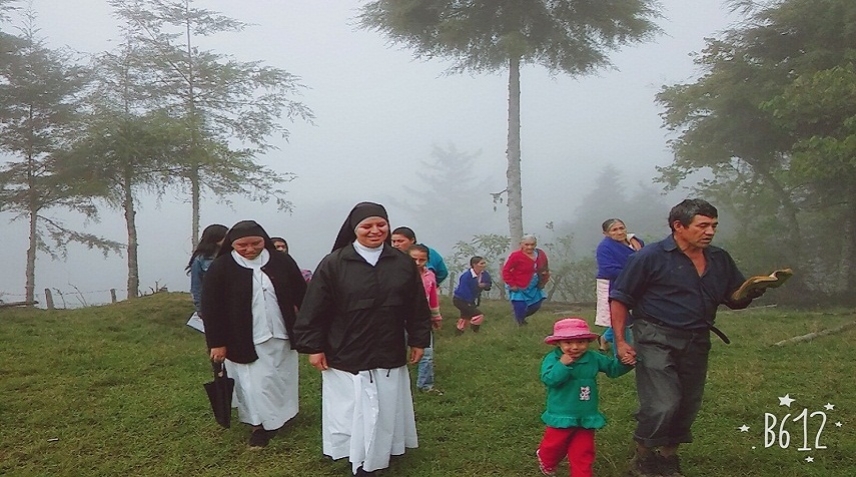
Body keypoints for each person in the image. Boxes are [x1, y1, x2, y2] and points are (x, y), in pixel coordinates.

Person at [609, 199, 764, 477]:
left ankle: (668, 459)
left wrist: (753, 289)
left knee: (687, 402)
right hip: (654, 334)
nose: (709, 232)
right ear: (678, 227)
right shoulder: (649, 257)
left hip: (697, 337)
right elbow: (620, 298)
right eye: (702, 225)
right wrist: (620, 340)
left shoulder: (719, 259)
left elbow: (733, 298)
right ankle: (643, 458)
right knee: (663, 401)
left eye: (713, 226)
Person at [292, 202, 432, 476]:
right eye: (367, 226)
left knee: (386, 401)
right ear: (354, 229)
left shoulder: (401, 261)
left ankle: (383, 449)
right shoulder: (335, 263)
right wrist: (314, 346)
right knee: (354, 407)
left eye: (381, 225)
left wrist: (418, 340)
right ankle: (358, 456)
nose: (375, 230)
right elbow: (315, 307)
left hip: (388, 344)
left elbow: (416, 305)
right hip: (345, 347)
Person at [202, 220, 308, 448]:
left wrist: (309, 327)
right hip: (243, 338)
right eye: (242, 245)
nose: (250, 249)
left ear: (264, 240)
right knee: (253, 383)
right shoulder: (221, 268)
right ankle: (258, 425)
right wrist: (217, 342)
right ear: (232, 244)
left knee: (280, 377)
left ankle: (281, 416)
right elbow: (212, 309)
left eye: (256, 243)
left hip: (280, 333)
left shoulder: (281, 261)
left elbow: (302, 294)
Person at [536, 318, 633, 477]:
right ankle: (546, 459)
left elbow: (612, 369)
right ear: (558, 343)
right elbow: (550, 380)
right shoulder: (553, 359)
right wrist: (562, 364)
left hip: (586, 413)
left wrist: (625, 362)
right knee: (554, 445)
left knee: (584, 450)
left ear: (588, 341)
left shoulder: (593, 357)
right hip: (562, 413)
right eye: (568, 343)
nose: (575, 347)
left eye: (581, 342)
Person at [594, 219, 644, 353]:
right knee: (620, 318)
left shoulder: (636, 243)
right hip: (613, 285)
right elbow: (607, 269)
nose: (619, 232)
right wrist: (633, 273)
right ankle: (622, 354)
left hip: (636, 283)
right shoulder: (604, 248)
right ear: (606, 233)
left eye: (622, 228)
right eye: (614, 230)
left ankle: (604, 338)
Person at [407, 244, 443, 394]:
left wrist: (436, 316)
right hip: (400, 318)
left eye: (421, 260)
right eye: (413, 259)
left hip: (422, 319)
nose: (417, 263)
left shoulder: (429, 276)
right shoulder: (399, 274)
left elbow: (433, 297)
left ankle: (425, 385)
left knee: (427, 353)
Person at [502, 234, 550, 326]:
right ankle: (520, 324)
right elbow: (506, 270)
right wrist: (512, 284)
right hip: (518, 286)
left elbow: (545, 267)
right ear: (521, 244)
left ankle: (520, 318)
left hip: (534, 285)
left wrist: (544, 278)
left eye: (532, 244)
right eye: (527, 245)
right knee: (520, 306)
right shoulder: (516, 256)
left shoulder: (540, 254)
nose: (530, 247)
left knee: (536, 305)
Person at [186, 223, 228, 318]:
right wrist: (200, 309)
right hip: (212, 304)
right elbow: (196, 286)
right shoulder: (200, 260)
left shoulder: (230, 256)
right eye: (225, 236)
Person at [452, 255, 492, 334]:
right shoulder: (466, 276)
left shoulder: (484, 274)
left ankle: (458, 334)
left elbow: (488, 285)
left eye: (484, 263)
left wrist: (484, 285)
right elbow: (464, 291)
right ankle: (475, 332)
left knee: (465, 318)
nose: (484, 265)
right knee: (479, 315)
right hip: (460, 300)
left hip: (470, 300)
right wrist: (470, 303)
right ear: (474, 265)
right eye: (482, 263)